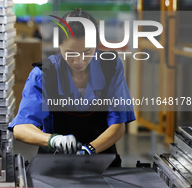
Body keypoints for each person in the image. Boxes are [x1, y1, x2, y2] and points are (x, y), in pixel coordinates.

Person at [8, 9, 136, 167]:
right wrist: (53, 140)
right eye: (71, 53)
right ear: (59, 45)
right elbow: (21, 128)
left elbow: (118, 124)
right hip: (55, 166)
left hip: (103, 164)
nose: (79, 61)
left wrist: (89, 150)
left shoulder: (110, 68)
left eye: (87, 52)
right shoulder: (44, 75)